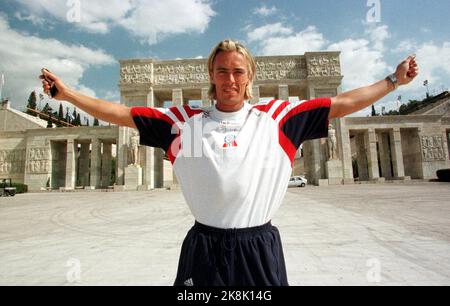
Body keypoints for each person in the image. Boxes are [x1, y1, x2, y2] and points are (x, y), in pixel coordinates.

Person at [40, 39, 419, 286]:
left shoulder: (278, 117)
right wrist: (69, 94)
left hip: (259, 248)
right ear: (211, 76)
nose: (230, 78)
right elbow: (123, 113)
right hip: (204, 248)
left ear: (250, 76)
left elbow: (340, 104)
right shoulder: (183, 124)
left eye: (238, 71)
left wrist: (392, 81)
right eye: (222, 70)